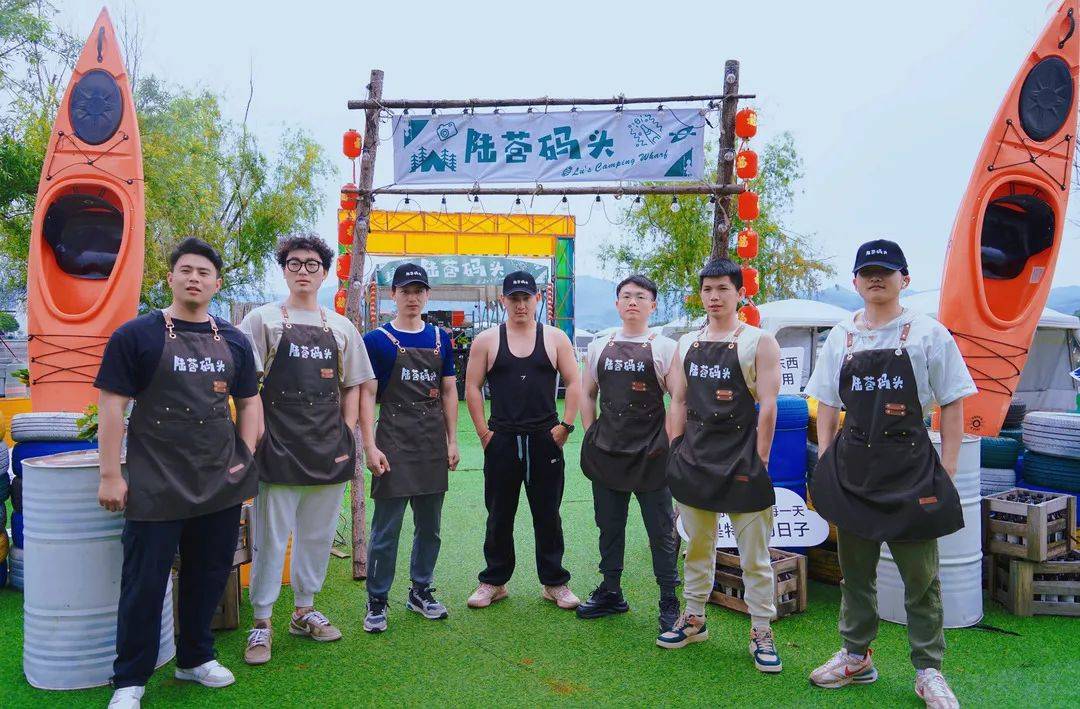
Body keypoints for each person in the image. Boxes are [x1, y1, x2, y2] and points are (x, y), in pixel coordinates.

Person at [805, 239, 974, 709]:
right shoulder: (842, 335)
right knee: (855, 574)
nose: (875, 278)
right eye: (867, 272)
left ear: (905, 279)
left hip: (911, 471)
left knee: (922, 579)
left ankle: (928, 670)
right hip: (854, 469)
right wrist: (826, 458)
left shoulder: (928, 333)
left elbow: (953, 402)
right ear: (856, 282)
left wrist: (949, 466)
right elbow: (827, 402)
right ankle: (856, 656)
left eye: (886, 270)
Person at [97, 238, 260, 709]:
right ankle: (130, 679)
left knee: (209, 574)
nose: (194, 278)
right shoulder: (136, 336)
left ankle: (195, 657)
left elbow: (250, 402)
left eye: (204, 272)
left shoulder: (234, 339)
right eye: (186, 270)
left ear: (217, 284)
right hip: (155, 481)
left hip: (219, 480)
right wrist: (110, 475)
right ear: (170, 277)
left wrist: (244, 457)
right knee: (144, 583)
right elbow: (112, 405)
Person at [238, 235, 374, 664]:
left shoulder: (342, 326)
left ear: (324, 272)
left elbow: (354, 384)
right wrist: (259, 435)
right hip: (277, 446)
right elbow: (246, 386)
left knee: (317, 536)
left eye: (312, 264)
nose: (303, 270)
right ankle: (262, 621)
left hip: (328, 448)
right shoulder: (261, 320)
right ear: (283, 270)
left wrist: (347, 431)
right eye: (294, 263)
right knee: (270, 537)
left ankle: (304, 610)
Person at [658, 258, 784, 674]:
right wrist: (675, 449)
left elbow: (769, 406)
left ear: (740, 293)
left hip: (743, 461)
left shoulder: (759, 342)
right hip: (695, 459)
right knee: (697, 546)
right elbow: (678, 400)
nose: (714, 297)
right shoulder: (686, 343)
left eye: (723, 289)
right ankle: (694, 618)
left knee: (755, 556)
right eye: (708, 289)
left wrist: (761, 459)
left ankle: (761, 630)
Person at [464, 271, 582, 610]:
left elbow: (574, 381)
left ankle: (555, 582)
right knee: (499, 514)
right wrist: (483, 433)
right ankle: (494, 581)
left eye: (526, 298)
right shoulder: (487, 340)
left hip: (545, 439)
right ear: (503, 300)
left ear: (537, 299)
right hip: (501, 439)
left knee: (548, 514)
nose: (520, 305)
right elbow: (472, 386)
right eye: (514, 298)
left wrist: (566, 426)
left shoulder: (555, 338)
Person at [577, 274, 680, 632]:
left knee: (660, 530)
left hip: (652, 455)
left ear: (653, 305)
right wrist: (591, 432)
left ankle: (669, 599)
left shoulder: (665, 347)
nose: (632, 301)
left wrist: (671, 443)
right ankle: (611, 591)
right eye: (626, 296)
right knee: (609, 526)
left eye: (640, 296)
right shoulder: (599, 345)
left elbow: (678, 400)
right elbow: (587, 393)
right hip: (606, 452)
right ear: (617, 303)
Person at [359, 263, 459, 632]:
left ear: (427, 295)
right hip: (393, 442)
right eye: (405, 291)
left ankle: (421, 591)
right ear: (393, 295)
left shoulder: (441, 338)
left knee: (430, 526)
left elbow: (449, 391)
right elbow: (367, 395)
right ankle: (377, 600)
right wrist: (369, 445)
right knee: (386, 528)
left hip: (432, 442)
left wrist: (452, 440)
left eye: (418, 291)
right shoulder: (376, 341)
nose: (412, 298)